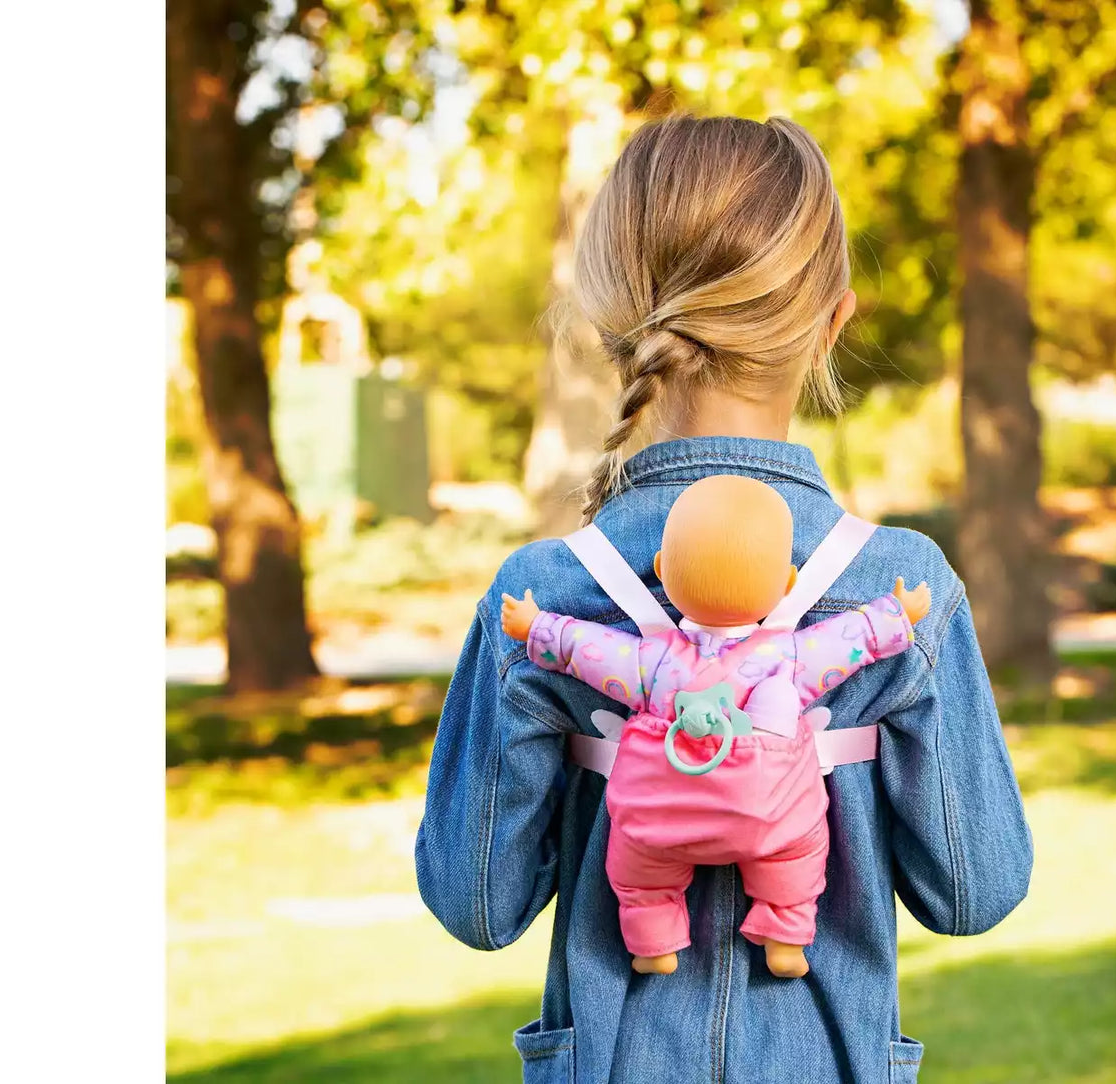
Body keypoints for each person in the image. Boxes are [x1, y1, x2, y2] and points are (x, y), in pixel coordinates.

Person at [417, 114, 1033, 1084]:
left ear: (609, 323)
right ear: (832, 320)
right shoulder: (897, 588)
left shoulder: (542, 597)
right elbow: (974, 890)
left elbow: (476, 904)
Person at [500, 474, 932, 980]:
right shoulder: (788, 658)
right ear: (788, 584)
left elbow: (589, 650)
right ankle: (785, 936)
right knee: (797, 856)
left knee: (639, 876)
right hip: (768, 818)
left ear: (662, 570)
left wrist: (537, 627)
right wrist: (895, 616)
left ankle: (652, 942)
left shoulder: (653, 662)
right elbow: (847, 640)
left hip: (661, 821)